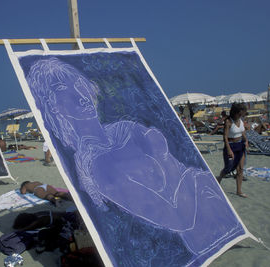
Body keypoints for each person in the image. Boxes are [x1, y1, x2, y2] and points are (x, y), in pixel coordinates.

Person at [24, 56, 245, 263]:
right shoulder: (96, 164)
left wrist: (189, 177)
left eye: (77, 82)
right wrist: (194, 179)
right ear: (54, 106)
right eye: (63, 90)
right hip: (203, 237)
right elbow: (179, 220)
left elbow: (174, 168)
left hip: (216, 220)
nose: (79, 94)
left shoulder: (126, 129)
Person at [216, 103, 249, 198]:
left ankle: (239, 191)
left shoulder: (241, 120)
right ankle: (219, 178)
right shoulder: (228, 122)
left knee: (240, 169)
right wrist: (229, 150)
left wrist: (246, 141)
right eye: (240, 113)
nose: (241, 115)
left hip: (240, 146)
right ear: (235, 112)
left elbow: (242, 132)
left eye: (242, 114)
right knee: (228, 168)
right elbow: (225, 137)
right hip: (230, 146)